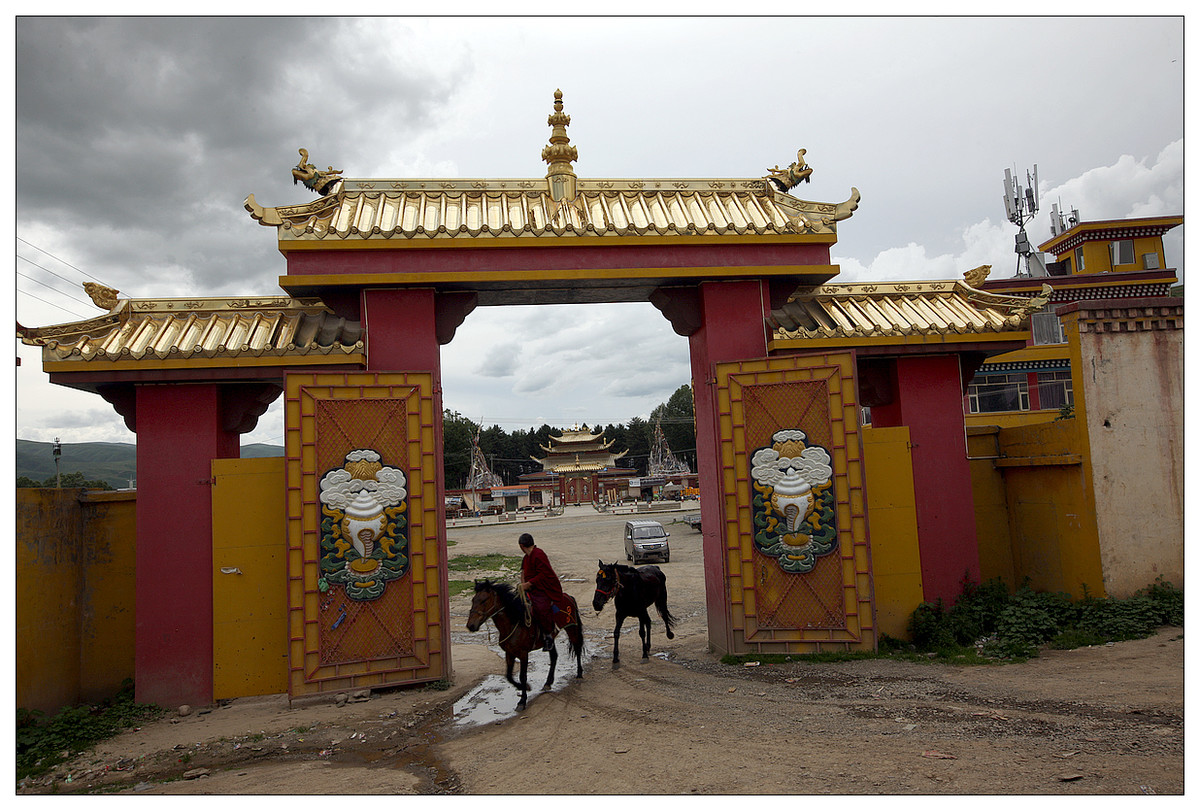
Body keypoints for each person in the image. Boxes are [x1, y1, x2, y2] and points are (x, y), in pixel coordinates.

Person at [518, 532, 567, 652]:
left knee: (541, 607)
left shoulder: (539, 554)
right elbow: (523, 572)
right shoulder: (526, 558)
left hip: (544, 588)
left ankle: (548, 635)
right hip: (530, 588)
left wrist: (529, 584)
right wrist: (522, 585)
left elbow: (544, 574)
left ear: (522, 546)